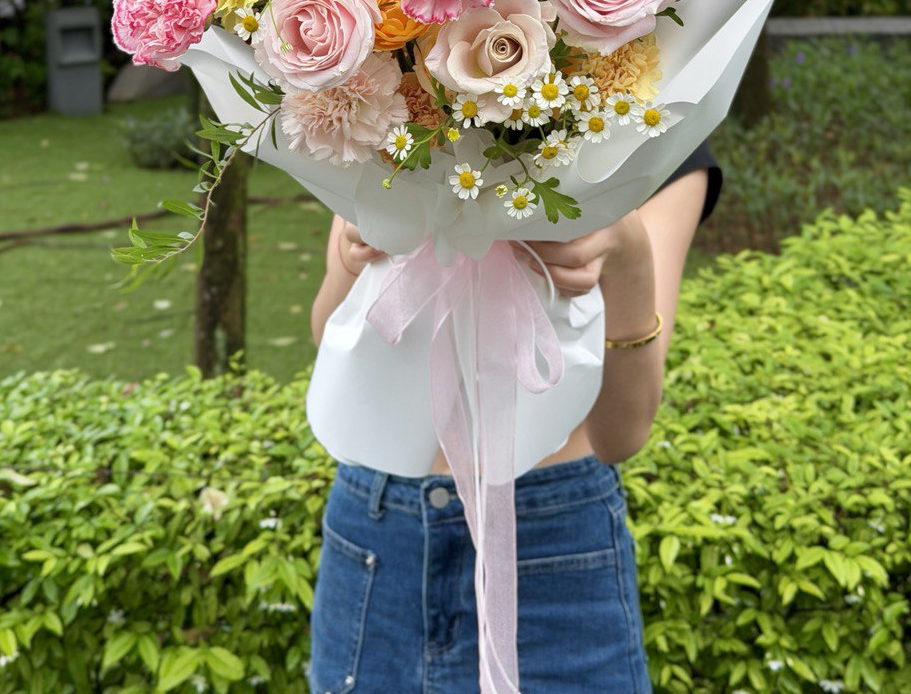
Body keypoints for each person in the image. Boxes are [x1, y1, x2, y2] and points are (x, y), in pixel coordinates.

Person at [308, 144, 722, 694]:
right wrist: (350, 247)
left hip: (553, 539)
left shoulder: (653, 129)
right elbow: (333, 342)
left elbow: (622, 433)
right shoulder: (393, 103)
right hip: (376, 534)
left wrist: (627, 256)